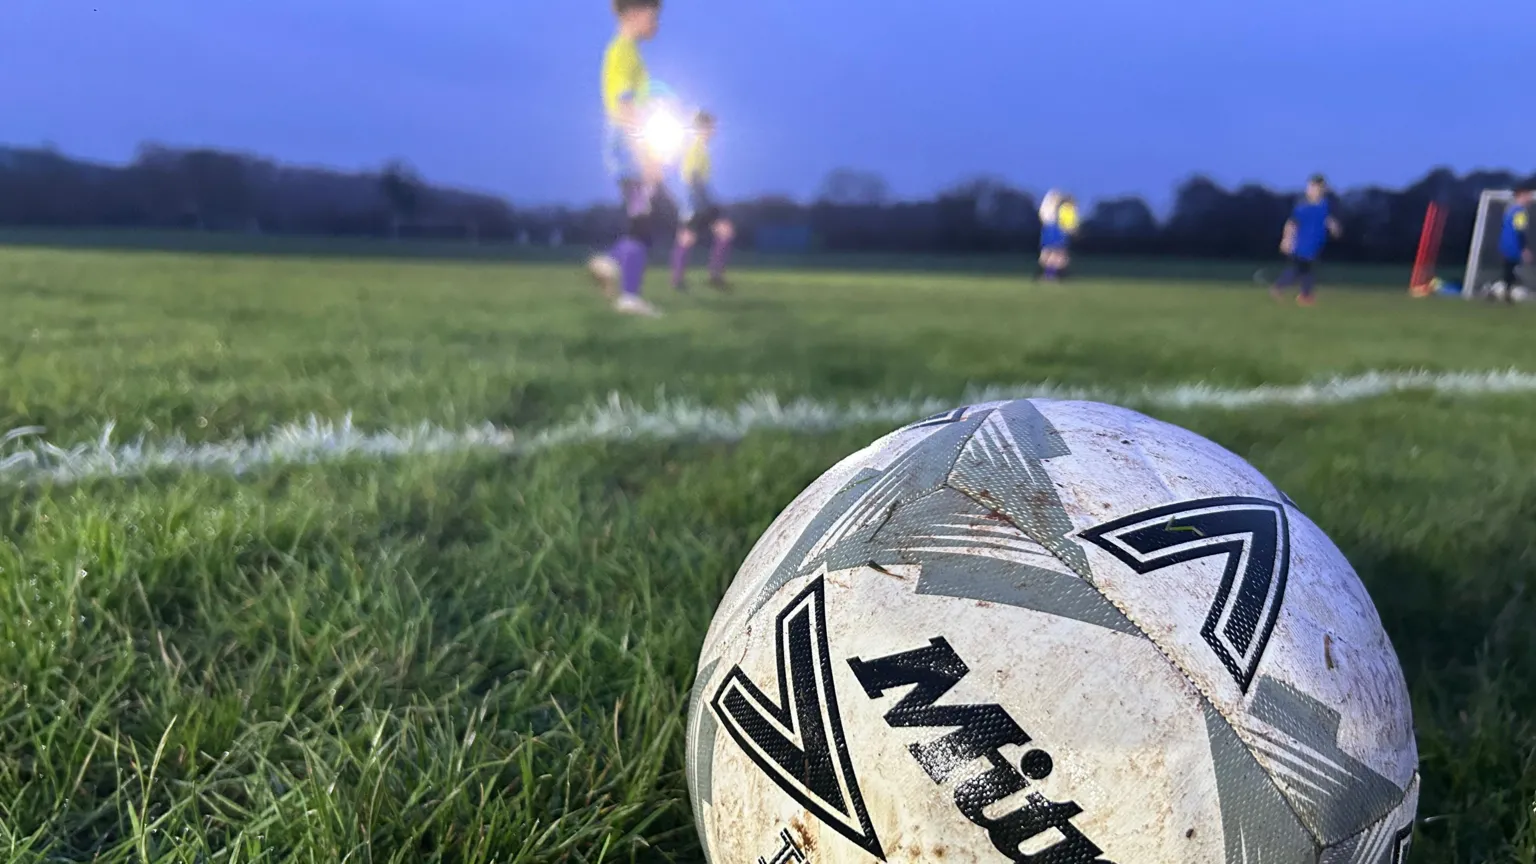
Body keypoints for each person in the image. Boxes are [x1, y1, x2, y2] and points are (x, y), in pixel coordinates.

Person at [586, 0, 664, 317]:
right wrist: (643, 153)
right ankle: (629, 297)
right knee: (642, 222)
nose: (657, 23)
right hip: (627, 148)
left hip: (629, 147)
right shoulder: (622, 52)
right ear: (634, 13)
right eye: (654, 16)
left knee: (647, 220)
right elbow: (626, 107)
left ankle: (610, 264)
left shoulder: (631, 52)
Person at [670, 111, 734, 292]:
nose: (714, 130)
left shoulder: (699, 148)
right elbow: (691, 177)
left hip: (694, 201)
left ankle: (680, 280)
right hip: (697, 201)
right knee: (723, 232)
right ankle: (713, 275)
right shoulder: (696, 148)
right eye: (712, 126)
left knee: (687, 239)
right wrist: (704, 203)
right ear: (702, 128)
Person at [1271, 174, 1341, 306]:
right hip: (1301, 243)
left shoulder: (1325, 205)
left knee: (1305, 270)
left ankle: (1302, 294)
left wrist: (1333, 227)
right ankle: (1287, 289)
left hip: (1315, 244)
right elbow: (1291, 223)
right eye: (1311, 187)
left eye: (1317, 188)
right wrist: (1286, 240)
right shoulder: (1302, 207)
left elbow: (1328, 219)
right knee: (1301, 268)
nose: (1313, 190)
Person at [1496, 188, 1531, 303]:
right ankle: (1506, 293)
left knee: (1509, 270)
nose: (1529, 199)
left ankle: (1504, 293)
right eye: (1526, 196)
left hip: (1505, 245)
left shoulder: (1509, 210)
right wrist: (1524, 248)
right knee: (1512, 270)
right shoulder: (1520, 212)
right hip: (1514, 246)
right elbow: (1520, 230)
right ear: (1520, 196)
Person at [1037, 190, 1077, 281]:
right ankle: (1050, 274)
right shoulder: (1052, 212)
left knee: (1056, 256)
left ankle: (1050, 274)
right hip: (1054, 232)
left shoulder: (1060, 210)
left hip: (1055, 232)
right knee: (1054, 255)